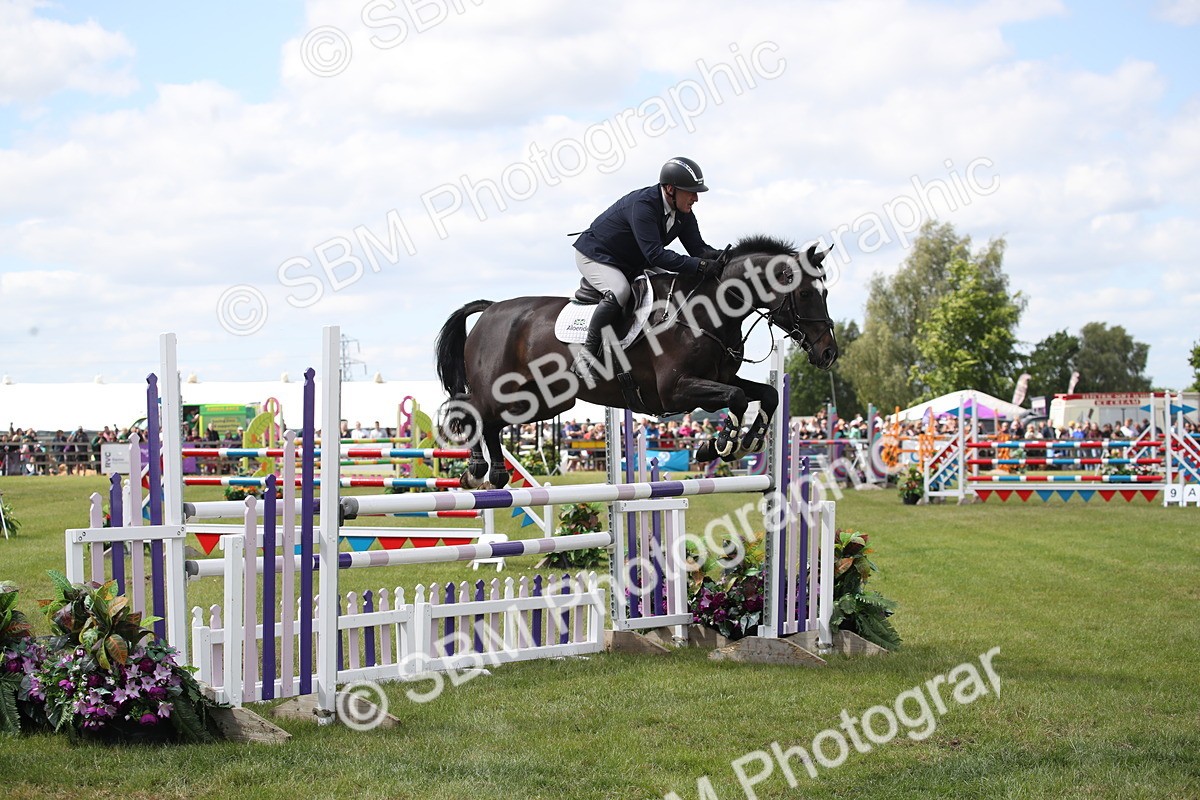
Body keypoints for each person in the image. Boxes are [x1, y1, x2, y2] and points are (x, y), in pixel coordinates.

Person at [570, 156, 730, 382]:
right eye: (691, 192)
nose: (696, 198)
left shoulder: (683, 213)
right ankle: (585, 356)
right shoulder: (644, 206)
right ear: (670, 189)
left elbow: (698, 249)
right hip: (598, 255)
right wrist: (701, 265)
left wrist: (725, 258)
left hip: (632, 260)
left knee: (670, 285)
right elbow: (656, 255)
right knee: (620, 291)